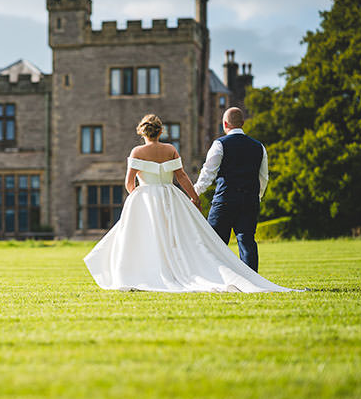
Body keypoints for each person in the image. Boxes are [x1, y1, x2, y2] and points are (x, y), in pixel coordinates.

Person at [83, 114, 297, 293]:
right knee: (174, 236)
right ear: (160, 131)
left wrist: (138, 196)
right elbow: (182, 176)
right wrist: (194, 197)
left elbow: (129, 182)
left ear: (142, 132)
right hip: (170, 196)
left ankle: (150, 271)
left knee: (146, 237)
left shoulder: (137, 152)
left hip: (145, 197)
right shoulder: (170, 150)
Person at [194, 107, 266, 272]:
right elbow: (263, 177)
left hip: (224, 201)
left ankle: (213, 277)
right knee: (247, 241)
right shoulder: (259, 146)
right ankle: (252, 281)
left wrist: (195, 192)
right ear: (243, 123)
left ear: (225, 124)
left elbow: (208, 172)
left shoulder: (220, 144)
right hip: (250, 200)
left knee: (214, 242)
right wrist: (257, 196)